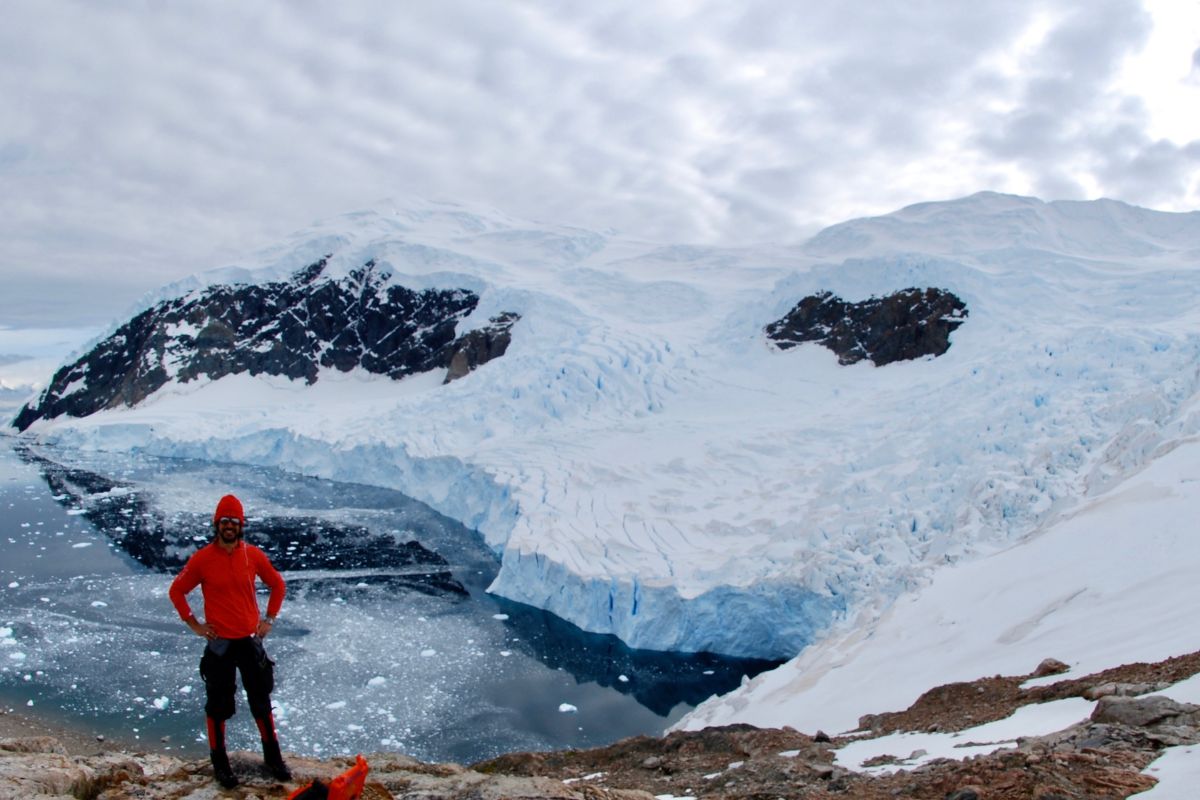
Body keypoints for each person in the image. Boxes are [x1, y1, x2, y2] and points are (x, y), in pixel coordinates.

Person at [169, 494, 290, 788]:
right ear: (217, 524)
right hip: (220, 643)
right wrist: (194, 624)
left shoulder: (252, 556)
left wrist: (269, 620)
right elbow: (177, 591)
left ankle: (273, 758)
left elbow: (277, 584)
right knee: (218, 705)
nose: (229, 526)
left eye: (234, 521)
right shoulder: (203, 559)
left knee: (260, 701)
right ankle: (220, 764)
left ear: (241, 525)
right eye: (225, 521)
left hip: (249, 641)